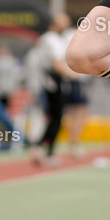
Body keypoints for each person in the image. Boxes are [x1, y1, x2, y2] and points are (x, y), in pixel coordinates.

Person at [30, 12, 77, 166]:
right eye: (63, 20)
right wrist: (74, 75)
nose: (67, 22)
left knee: (54, 119)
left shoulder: (51, 39)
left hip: (50, 82)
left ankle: (40, 148)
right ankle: (47, 152)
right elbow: (57, 64)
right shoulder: (52, 39)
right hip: (52, 83)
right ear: (55, 22)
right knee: (56, 119)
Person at [60, 24, 91, 159]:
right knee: (78, 112)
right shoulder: (71, 36)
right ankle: (73, 144)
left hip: (74, 79)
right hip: (74, 79)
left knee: (74, 112)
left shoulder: (67, 36)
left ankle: (72, 143)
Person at [0, 45, 23, 113]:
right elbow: (18, 75)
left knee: (3, 106)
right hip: (3, 88)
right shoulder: (10, 61)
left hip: (3, 88)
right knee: (4, 106)